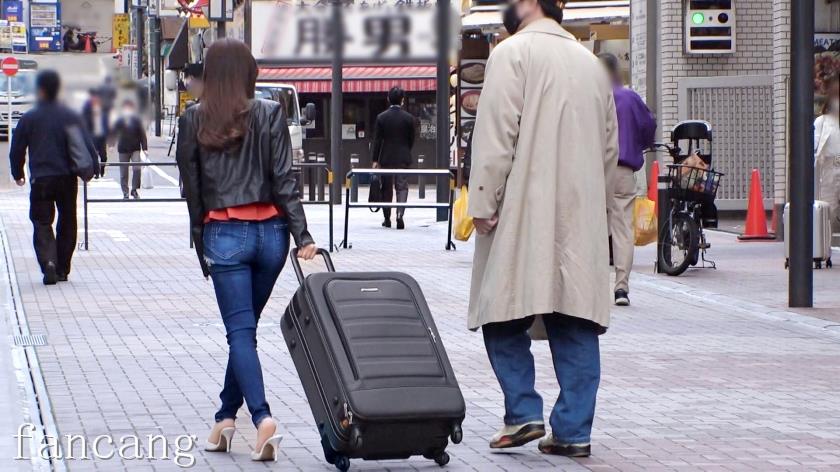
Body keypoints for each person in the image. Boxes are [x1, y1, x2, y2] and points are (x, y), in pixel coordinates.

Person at [468, 0, 617, 458]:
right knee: (575, 318)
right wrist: (596, 205)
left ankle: (522, 411)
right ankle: (573, 430)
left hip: (522, 211)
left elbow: (496, 136)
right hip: (580, 214)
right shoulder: (591, 64)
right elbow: (609, 150)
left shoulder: (512, 53)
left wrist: (482, 201)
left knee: (500, 312)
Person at [176, 38, 318, 462]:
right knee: (246, 330)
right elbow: (284, 178)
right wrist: (302, 235)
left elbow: (192, 190)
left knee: (240, 333)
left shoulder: (194, 118)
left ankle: (262, 418)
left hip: (224, 233)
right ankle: (224, 418)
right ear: (248, 73)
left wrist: (201, 241)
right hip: (271, 236)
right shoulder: (270, 112)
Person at [9, 70, 98, 285]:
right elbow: (86, 144)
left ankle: (48, 262)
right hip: (67, 177)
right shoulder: (70, 116)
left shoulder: (30, 118)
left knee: (42, 221)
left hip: (41, 178)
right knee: (67, 220)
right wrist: (93, 167)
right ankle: (63, 268)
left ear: (40, 90)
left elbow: (16, 149)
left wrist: (18, 173)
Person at [598, 52, 656, 307]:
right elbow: (648, 127)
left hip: (593, 170)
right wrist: (637, 144)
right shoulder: (630, 97)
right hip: (623, 170)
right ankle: (621, 288)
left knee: (592, 229)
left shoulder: (591, 96)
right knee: (622, 230)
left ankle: (593, 288)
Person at [372, 86, 415, 229]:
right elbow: (411, 139)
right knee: (402, 187)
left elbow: (377, 140)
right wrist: (406, 150)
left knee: (386, 188)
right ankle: (400, 215)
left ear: (388, 99)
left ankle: (387, 218)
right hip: (403, 157)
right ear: (402, 100)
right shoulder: (409, 118)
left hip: (386, 157)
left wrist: (375, 160)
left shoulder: (381, 117)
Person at [815, 74, 840, 236]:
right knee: (829, 208)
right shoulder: (822, 122)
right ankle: (829, 241)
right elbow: (813, 146)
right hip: (829, 166)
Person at [112, 101, 148, 199]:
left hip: (135, 148)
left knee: (137, 169)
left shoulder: (137, 120)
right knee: (124, 172)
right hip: (123, 148)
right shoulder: (119, 120)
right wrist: (111, 144)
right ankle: (125, 192)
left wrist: (145, 148)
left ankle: (134, 190)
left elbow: (142, 134)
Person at [82, 89, 110, 178]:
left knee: (103, 156)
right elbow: (84, 122)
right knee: (94, 155)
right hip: (92, 136)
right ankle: (96, 172)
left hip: (102, 136)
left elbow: (107, 122)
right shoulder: (87, 109)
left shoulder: (103, 110)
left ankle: (102, 170)